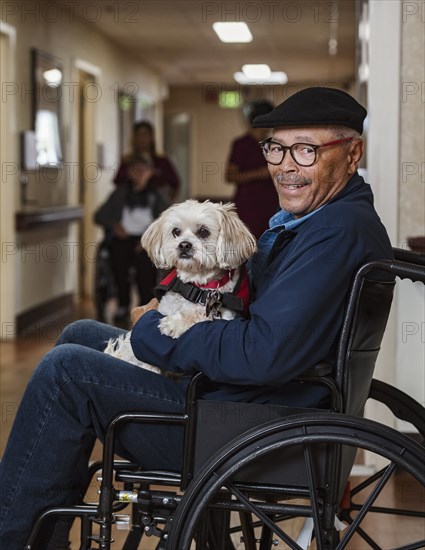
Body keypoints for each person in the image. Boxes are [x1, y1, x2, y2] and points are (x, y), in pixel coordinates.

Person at [0, 87, 393, 549]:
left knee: (63, 370)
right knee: (79, 334)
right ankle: (42, 533)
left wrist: (150, 332)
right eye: (276, 148)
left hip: (249, 427)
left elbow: (262, 353)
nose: (286, 165)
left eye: (306, 150)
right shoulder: (323, 220)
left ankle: (14, 537)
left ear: (352, 154)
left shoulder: (335, 232)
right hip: (251, 403)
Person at [94, 155, 168, 326]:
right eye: (135, 169)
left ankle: (145, 304)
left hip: (146, 241)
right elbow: (99, 216)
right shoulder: (120, 193)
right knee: (118, 260)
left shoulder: (157, 194)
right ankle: (123, 302)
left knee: (146, 266)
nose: (139, 173)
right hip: (123, 238)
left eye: (144, 170)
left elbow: (167, 221)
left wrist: (147, 239)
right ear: (129, 172)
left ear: (150, 173)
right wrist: (114, 226)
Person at [225, 100, 279, 239]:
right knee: (248, 243)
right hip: (248, 205)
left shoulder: (272, 144)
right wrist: (259, 173)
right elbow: (230, 176)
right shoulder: (242, 144)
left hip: (271, 203)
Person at [114, 120, 180, 204]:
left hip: (156, 207)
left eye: (145, 134)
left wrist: (167, 203)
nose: (142, 138)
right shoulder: (127, 161)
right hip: (130, 205)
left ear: (151, 137)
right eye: (138, 135)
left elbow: (175, 184)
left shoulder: (163, 161)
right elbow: (118, 183)